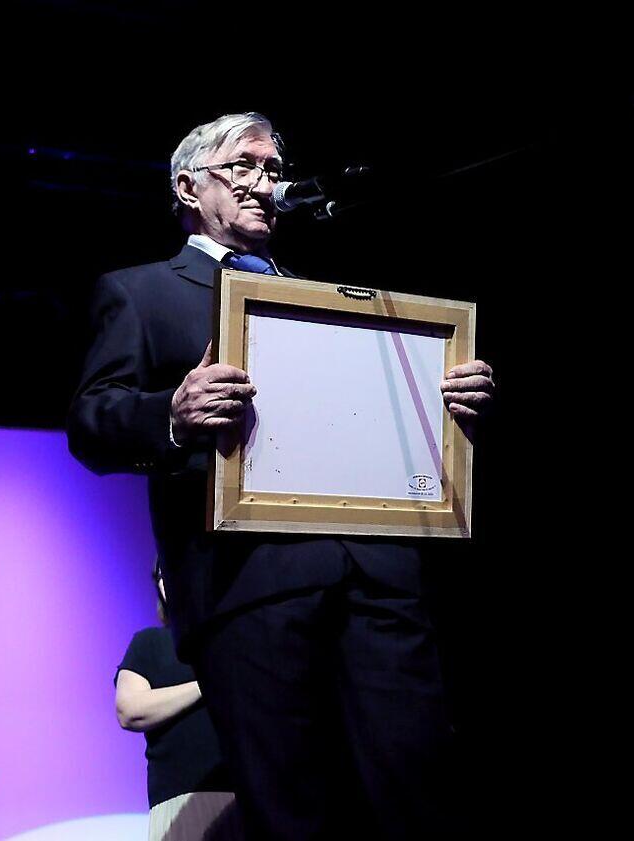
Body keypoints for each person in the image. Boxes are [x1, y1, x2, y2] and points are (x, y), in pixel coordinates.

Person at [68, 112, 494, 840]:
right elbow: (91, 421)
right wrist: (172, 413)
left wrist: (446, 398)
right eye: (245, 165)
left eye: (273, 168)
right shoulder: (141, 291)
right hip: (247, 585)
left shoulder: (331, 300)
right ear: (189, 187)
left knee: (417, 795)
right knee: (293, 811)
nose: (266, 183)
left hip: (378, 579)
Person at [116, 562, 241, 841]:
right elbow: (129, 710)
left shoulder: (234, 640)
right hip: (180, 798)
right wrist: (205, 685)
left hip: (244, 796)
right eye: (161, 575)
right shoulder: (149, 643)